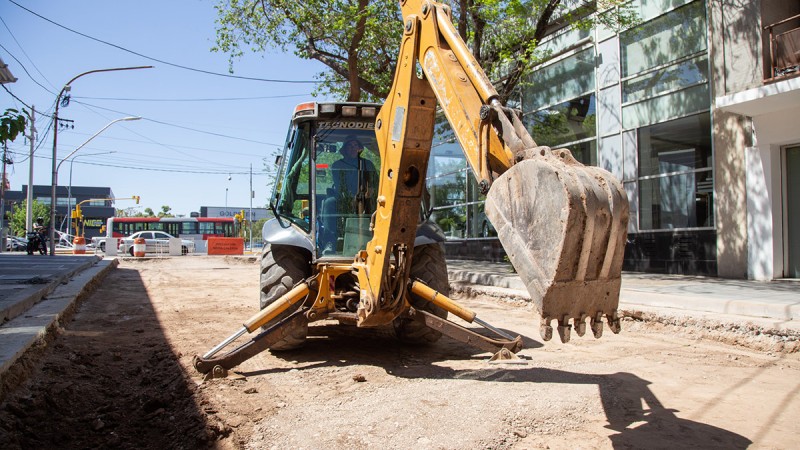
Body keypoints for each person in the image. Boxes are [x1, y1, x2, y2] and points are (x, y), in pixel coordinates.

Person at [319, 136, 377, 254]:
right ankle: (330, 243)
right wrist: (350, 198)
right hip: (343, 198)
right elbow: (340, 185)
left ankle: (377, 240)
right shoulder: (337, 165)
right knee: (329, 203)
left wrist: (371, 191)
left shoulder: (368, 164)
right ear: (345, 149)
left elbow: (375, 182)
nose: (353, 148)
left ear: (359, 148)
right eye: (350, 146)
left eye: (355, 146)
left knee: (379, 204)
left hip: (365, 198)